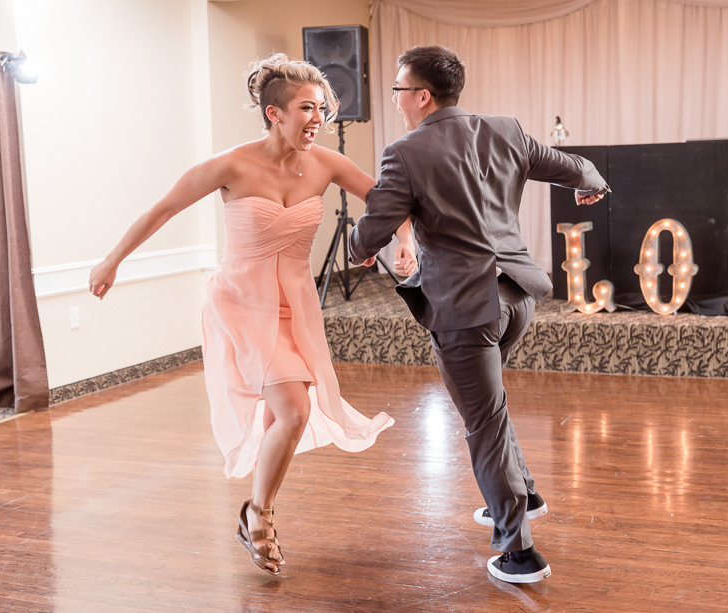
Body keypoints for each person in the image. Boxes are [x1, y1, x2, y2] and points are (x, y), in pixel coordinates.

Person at [89, 54, 411, 576]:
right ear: (273, 113)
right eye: (307, 107)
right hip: (242, 302)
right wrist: (112, 260)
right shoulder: (231, 165)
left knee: (282, 416)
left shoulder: (327, 164)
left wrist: (402, 243)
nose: (318, 117)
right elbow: (162, 210)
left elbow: (387, 201)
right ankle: (258, 516)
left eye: (322, 108)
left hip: (296, 303)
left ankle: (255, 511)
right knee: (295, 409)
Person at [347, 45, 609, 584]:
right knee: (489, 407)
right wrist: (593, 184)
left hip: (465, 309)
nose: (396, 101)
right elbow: (574, 167)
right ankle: (524, 492)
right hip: (517, 297)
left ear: (421, 96)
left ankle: (518, 551)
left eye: (398, 91)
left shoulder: (404, 153)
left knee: (480, 423)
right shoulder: (505, 130)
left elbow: (367, 238)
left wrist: (358, 242)